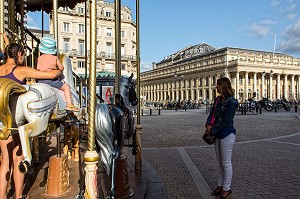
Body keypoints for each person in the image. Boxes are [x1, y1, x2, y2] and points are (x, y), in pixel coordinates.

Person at [0, 42, 62, 199]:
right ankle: (19, 195)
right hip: (15, 119)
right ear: (20, 55)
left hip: (1, 121)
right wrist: (57, 69)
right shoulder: (20, 70)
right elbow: (50, 76)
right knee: (18, 156)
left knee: (5, 160)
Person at [205, 77, 238, 199]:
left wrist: (212, 130)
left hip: (227, 133)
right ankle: (220, 184)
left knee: (226, 162)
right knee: (220, 162)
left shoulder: (232, 102)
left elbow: (226, 120)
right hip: (217, 134)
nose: (215, 87)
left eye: (217, 85)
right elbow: (212, 113)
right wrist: (208, 124)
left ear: (223, 86)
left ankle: (226, 188)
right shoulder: (218, 99)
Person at [37, 36, 78, 111]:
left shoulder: (39, 58)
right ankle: (69, 104)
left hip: (39, 80)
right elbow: (61, 68)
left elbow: (39, 68)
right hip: (49, 81)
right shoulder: (54, 58)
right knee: (66, 88)